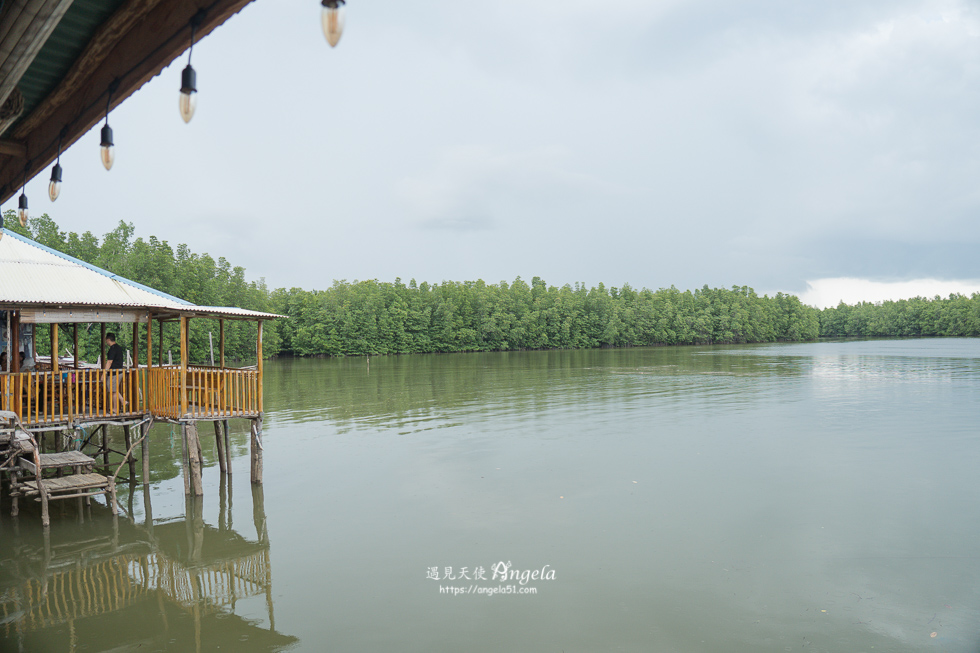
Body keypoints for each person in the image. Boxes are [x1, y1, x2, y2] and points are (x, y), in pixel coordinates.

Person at [103, 333, 128, 409]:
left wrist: (104, 373)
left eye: (106, 340)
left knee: (112, 391)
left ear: (108, 340)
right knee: (113, 389)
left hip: (114, 373)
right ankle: (122, 401)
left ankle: (115, 409)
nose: (106, 342)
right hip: (119, 371)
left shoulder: (112, 349)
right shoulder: (119, 348)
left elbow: (109, 362)